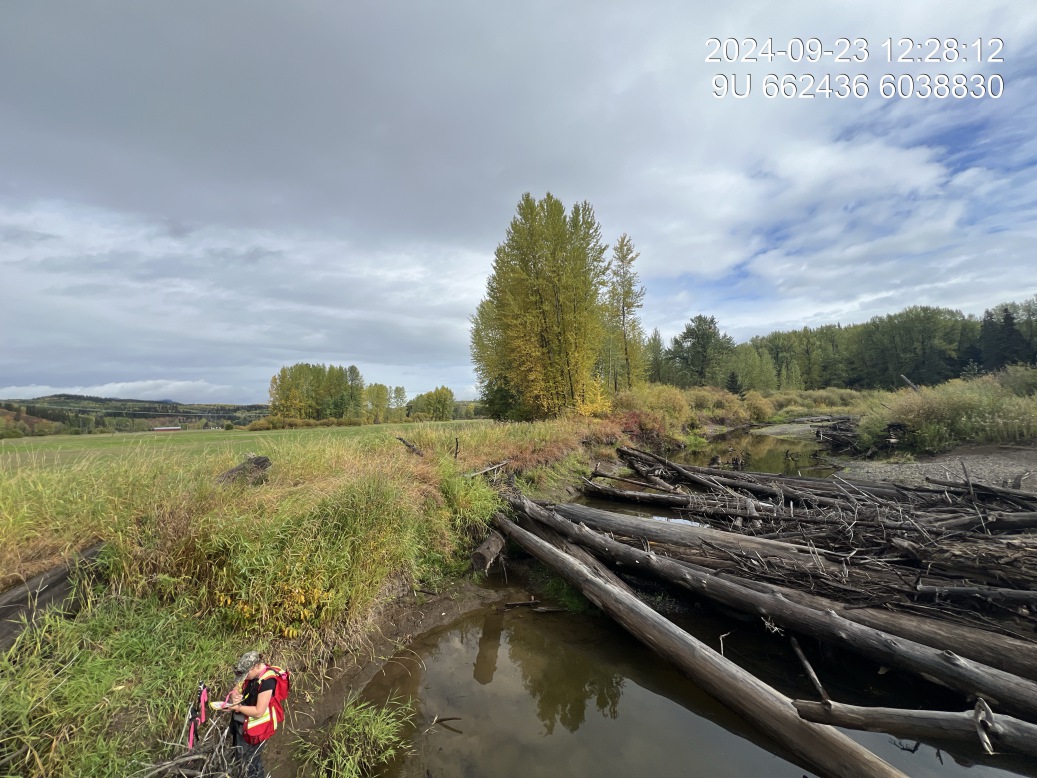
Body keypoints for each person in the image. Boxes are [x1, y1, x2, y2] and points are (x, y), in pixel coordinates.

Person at [227, 650, 276, 778]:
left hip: (255, 732)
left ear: (255, 667)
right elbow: (236, 688)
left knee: (251, 764)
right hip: (241, 726)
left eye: (246, 674)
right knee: (240, 758)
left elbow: (259, 711)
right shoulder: (250, 674)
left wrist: (238, 707)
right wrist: (234, 696)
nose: (244, 678)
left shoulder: (268, 682)